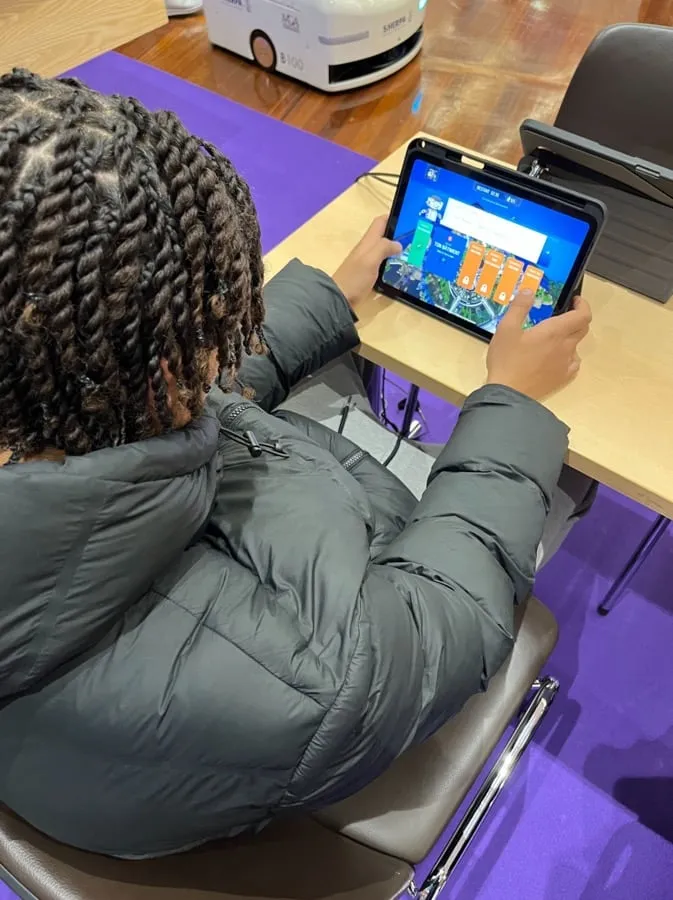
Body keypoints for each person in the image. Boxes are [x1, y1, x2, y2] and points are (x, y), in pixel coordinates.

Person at [0, 69, 593, 859]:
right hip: (335, 667)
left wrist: (326, 298)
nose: (224, 349)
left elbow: (174, 391)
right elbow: (445, 616)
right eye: (215, 319)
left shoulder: (60, 409)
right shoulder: (311, 679)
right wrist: (513, 403)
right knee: (563, 489)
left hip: (122, 737)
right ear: (166, 373)